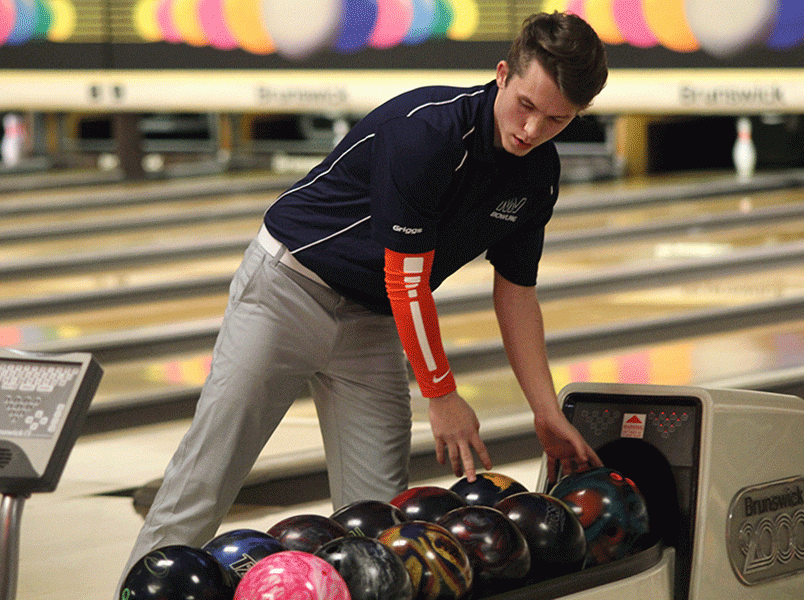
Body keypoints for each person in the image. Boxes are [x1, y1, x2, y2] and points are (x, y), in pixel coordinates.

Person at [118, 10, 608, 588]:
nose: (531, 130)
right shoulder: (429, 131)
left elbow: (518, 293)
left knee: (378, 518)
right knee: (209, 472)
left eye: (556, 120)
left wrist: (545, 410)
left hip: (372, 323)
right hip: (287, 291)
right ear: (502, 75)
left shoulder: (538, 177)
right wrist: (442, 393)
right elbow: (406, 278)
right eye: (525, 105)